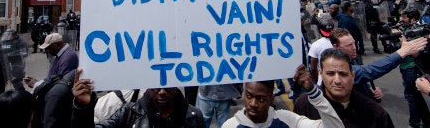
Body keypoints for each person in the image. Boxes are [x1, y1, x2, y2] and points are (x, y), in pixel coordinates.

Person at [294, 48, 394, 127]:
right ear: (321, 74)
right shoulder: (304, 105)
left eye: (343, 74)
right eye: (330, 74)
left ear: (353, 76)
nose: (337, 80)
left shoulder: (375, 113)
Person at [72, 68, 204, 127]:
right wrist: (83, 108)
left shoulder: (193, 116)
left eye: (168, 87)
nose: (162, 92)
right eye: (156, 87)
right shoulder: (129, 112)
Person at [222, 65, 343, 127]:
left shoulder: (288, 120)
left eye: (261, 99)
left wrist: (313, 91)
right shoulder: (230, 126)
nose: (253, 104)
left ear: (271, 99)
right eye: (249, 96)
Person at [330, 28, 427, 99]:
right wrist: (401, 53)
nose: (354, 47)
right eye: (349, 45)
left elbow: (360, 80)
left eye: (354, 43)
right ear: (336, 47)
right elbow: (369, 71)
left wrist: (370, 90)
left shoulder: (349, 58)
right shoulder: (337, 66)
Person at [396, 9, 430, 128]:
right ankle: (425, 122)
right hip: (406, 66)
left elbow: (413, 50)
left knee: (411, 96)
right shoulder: (405, 29)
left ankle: (415, 122)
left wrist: (403, 41)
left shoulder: (415, 31)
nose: (402, 20)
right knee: (415, 96)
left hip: (411, 67)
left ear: (412, 19)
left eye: (405, 18)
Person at [0, 29, 28, 96]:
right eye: (6, 35)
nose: (8, 36)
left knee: (17, 83)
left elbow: (25, 53)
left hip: (15, 66)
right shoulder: (0, 44)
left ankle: (21, 97)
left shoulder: (19, 43)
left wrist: (15, 55)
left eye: (10, 35)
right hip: (2, 67)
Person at [308, 14, 334, 85]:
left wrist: (316, 82)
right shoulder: (340, 41)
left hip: (322, 82)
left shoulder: (315, 45)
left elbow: (313, 68)